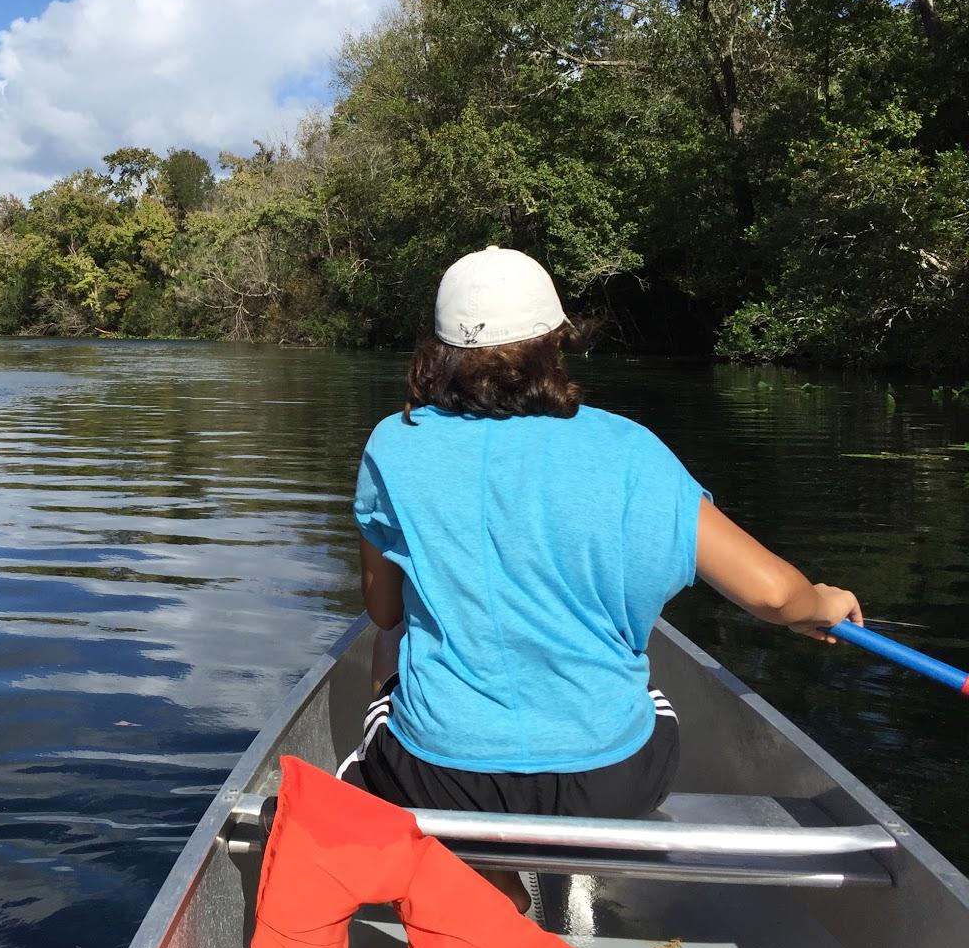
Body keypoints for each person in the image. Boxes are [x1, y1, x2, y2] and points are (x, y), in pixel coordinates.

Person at [348, 246, 863, 912]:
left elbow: (384, 611)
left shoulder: (394, 442)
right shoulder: (630, 448)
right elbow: (773, 595)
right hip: (609, 782)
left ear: (439, 350)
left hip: (447, 782)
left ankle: (482, 877)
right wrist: (820, 602)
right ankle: (570, 853)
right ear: (554, 342)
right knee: (645, 679)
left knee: (391, 647)